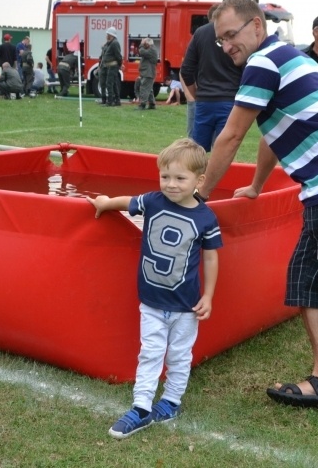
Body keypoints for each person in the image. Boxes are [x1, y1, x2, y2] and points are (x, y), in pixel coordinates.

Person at [198, 0, 318, 411]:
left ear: (257, 27)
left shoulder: (263, 63)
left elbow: (231, 136)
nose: (227, 46)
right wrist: (257, 185)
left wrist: (201, 196)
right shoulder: (284, 59)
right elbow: (273, 131)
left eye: (232, 35)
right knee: (306, 279)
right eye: (221, 40)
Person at [87, 138, 222, 439]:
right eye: (165, 177)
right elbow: (127, 202)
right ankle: (141, 407)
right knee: (150, 353)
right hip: (151, 301)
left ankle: (171, 402)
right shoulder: (152, 201)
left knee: (179, 354)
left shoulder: (206, 217)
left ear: (199, 180)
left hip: (186, 305)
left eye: (180, 178)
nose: (171, 184)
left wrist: (209, 295)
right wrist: (105, 203)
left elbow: (211, 257)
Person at [181, 0, 245, 151]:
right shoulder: (241, 35)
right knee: (224, 152)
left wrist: (197, 94)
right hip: (230, 100)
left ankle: (198, 176)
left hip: (204, 101)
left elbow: (186, 69)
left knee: (198, 153)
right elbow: (248, 69)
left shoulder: (201, 33)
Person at [101, 27, 123, 106]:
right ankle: (117, 100)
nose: (107, 36)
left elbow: (118, 56)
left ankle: (110, 101)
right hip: (110, 66)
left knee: (109, 83)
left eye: (108, 34)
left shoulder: (114, 43)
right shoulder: (111, 43)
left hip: (113, 66)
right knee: (113, 84)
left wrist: (120, 65)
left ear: (111, 35)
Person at [136, 38, 158, 110]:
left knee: (144, 88)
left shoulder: (152, 50)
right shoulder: (151, 49)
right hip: (147, 72)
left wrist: (141, 44)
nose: (144, 45)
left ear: (148, 44)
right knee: (149, 89)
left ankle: (142, 104)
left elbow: (142, 52)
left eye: (145, 44)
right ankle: (152, 104)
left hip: (148, 73)